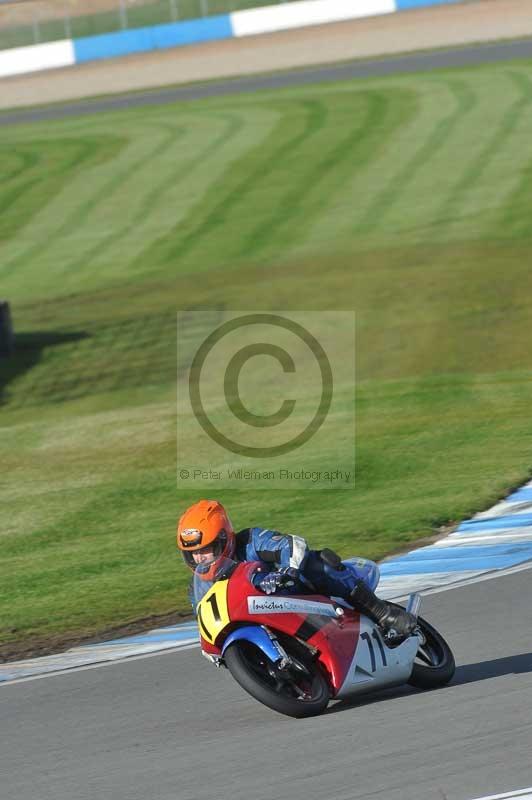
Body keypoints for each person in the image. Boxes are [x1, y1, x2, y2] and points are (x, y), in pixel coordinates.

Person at [177, 499, 416, 641]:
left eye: (206, 549)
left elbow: (291, 544)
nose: (200, 557)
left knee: (317, 563)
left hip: (295, 593)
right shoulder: (197, 587)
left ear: (224, 539)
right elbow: (205, 619)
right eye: (193, 553)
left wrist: (288, 571)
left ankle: (382, 612)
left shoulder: (250, 541)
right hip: (263, 619)